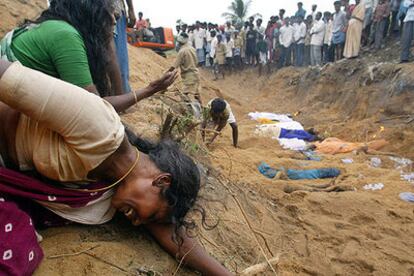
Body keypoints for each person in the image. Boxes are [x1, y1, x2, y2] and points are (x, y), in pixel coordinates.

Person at [0, 60, 232, 275]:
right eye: (149, 215)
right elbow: (7, 77)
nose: (138, 222)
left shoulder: (113, 186)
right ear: (161, 180)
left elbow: (176, 240)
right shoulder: (97, 125)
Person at [0, 0, 173, 114]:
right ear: (91, 13)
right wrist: (150, 89)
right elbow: (96, 110)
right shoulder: (65, 36)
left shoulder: (56, 27)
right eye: (109, 12)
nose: (114, 20)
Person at [172, 33, 202, 106]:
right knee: (197, 95)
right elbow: (197, 62)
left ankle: (190, 112)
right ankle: (202, 110)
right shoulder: (192, 49)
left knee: (185, 95)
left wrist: (166, 74)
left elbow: (174, 66)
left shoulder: (182, 51)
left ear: (179, 43)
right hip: (196, 74)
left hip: (189, 77)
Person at [114, 0, 136, 94]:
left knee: (118, 56)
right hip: (89, 9)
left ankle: (122, 94)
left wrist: (131, 9)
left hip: (114, 10)